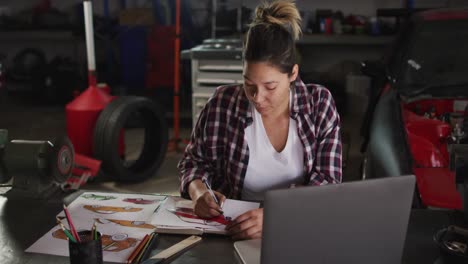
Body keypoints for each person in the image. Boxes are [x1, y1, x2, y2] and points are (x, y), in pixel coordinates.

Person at [178, 0, 342, 240]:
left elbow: (328, 182)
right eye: (249, 84)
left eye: (270, 86)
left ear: (293, 74)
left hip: (298, 223)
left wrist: (276, 215)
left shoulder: (319, 104)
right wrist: (199, 192)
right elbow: (194, 162)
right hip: (234, 227)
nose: (257, 98)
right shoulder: (223, 103)